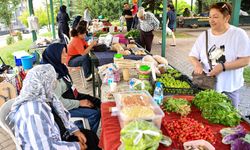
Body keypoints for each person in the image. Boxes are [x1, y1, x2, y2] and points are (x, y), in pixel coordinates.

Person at [6, 64, 101, 150]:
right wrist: (76, 146)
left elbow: (63, 118)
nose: (55, 84)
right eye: (52, 81)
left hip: (59, 136)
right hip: (49, 145)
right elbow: (44, 148)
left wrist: (75, 130)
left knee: (90, 136)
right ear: (44, 83)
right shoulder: (33, 113)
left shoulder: (47, 97)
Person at [189, 2, 250, 109]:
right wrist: (197, 65)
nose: (211, 20)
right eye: (210, 17)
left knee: (228, 119)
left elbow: (245, 60)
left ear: (227, 18)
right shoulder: (204, 35)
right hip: (206, 86)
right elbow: (192, 55)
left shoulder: (238, 34)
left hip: (229, 88)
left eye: (216, 17)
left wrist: (223, 67)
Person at [41, 43, 101, 133]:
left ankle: (82, 131)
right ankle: (80, 134)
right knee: (94, 114)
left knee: (97, 103)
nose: (66, 55)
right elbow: (58, 103)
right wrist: (79, 103)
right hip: (60, 109)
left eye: (66, 52)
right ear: (55, 56)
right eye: (62, 53)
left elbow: (71, 88)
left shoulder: (60, 68)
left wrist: (84, 99)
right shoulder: (52, 77)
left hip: (71, 97)